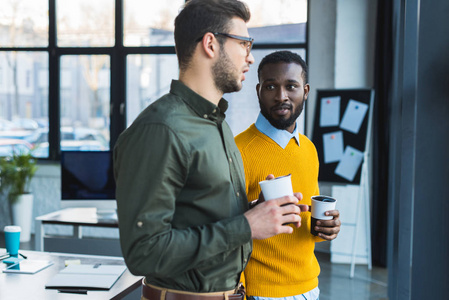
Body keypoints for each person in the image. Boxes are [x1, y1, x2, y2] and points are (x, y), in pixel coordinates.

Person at [113, 2, 307, 300]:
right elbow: (144, 253)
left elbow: (200, 214)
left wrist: (258, 212)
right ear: (210, 43)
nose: (251, 58)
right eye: (244, 44)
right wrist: (245, 225)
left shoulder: (215, 124)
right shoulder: (160, 129)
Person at [235, 51, 341, 300]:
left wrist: (326, 228)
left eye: (291, 86)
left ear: (305, 91)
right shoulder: (237, 150)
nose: (281, 96)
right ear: (259, 90)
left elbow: (305, 221)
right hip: (260, 292)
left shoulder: (309, 149)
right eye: (271, 86)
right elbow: (225, 227)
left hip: (309, 288)